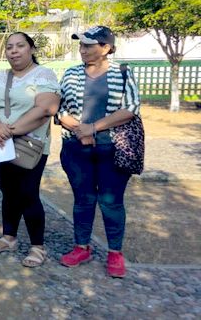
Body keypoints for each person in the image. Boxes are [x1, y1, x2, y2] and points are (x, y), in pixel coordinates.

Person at [57, 26, 140, 278]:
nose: (82, 50)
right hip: (76, 148)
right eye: (81, 45)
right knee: (83, 200)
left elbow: (130, 108)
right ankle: (81, 247)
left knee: (111, 201)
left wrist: (92, 128)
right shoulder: (71, 73)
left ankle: (115, 252)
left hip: (112, 149)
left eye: (89, 46)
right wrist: (80, 131)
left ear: (106, 48)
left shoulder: (123, 73)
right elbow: (59, 109)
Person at [0, 32, 60, 268]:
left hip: (29, 145)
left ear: (31, 49)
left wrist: (11, 130)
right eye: (10, 47)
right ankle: (9, 237)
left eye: (20, 46)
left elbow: (46, 107)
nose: (14, 51)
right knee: (8, 192)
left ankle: (38, 246)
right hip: (0, 144)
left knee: (28, 193)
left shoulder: (43, 75)